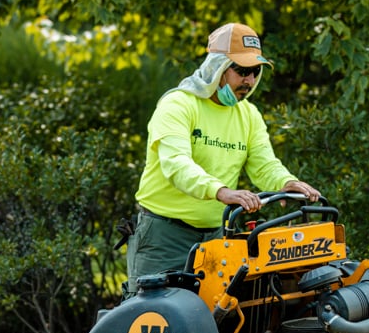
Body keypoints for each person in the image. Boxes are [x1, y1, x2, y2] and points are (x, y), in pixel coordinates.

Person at [124, 22, 321, 295]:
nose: (249, 81)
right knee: (154, 324)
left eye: (255, 71)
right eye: (241, 71)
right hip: (163, 237)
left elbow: (264, 164)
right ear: (217, 67)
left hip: (216, 239)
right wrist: (221, 192)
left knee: (221, 324)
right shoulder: (178, 104)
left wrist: (286, 182)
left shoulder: (248, 115)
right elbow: (176, 164)